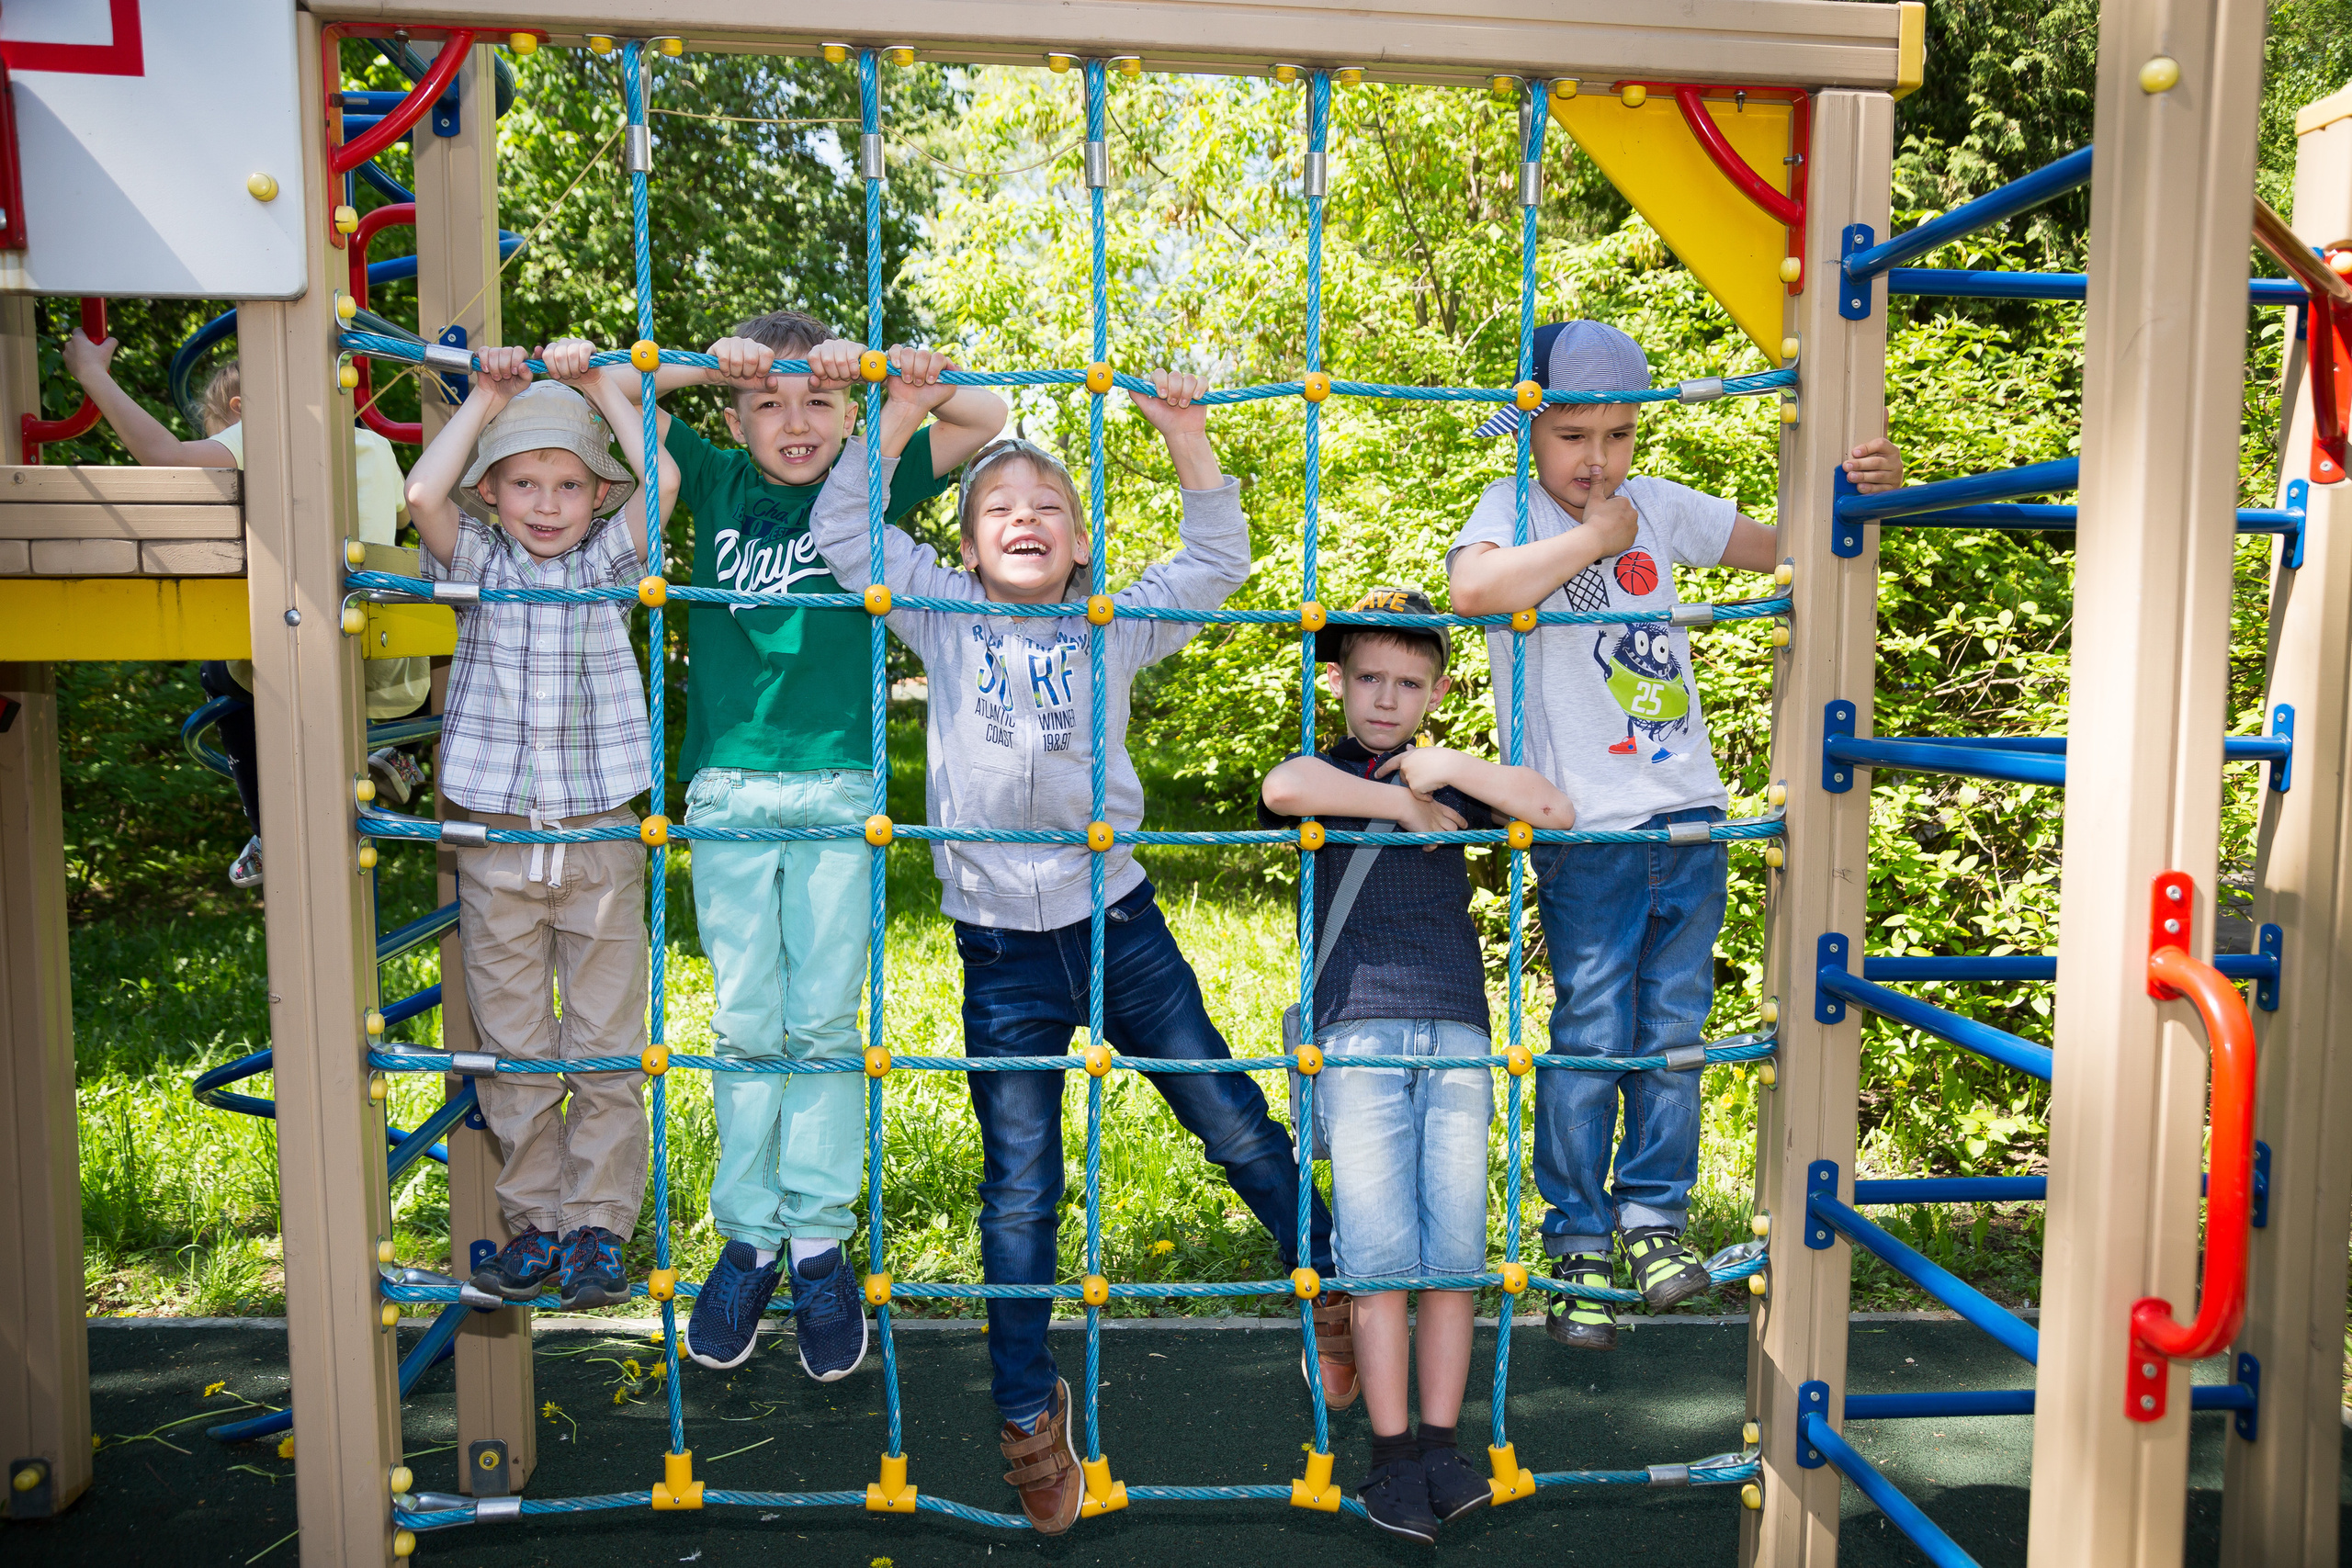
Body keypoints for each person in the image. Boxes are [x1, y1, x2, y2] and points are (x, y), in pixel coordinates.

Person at [808, 346, 1340, 1536]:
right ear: (964, 544)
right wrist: (893, 419)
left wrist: (1186, 436)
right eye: (998, 506)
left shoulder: (1112, 623)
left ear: (1085, 540)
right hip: (999, 952)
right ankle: (1023, 1411)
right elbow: (847, 535)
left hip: (1119, 924)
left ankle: (1336, 1275)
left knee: (1228, 1114)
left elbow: (1214, 560)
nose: (1025, 515)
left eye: (1049, 503)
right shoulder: (941, 615)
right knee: (1020, 1190)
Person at [1446, 321, 1905, 1348]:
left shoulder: (1655, 507)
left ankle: (1652, 1217)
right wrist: (1586, 543)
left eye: (1616, 434)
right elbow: (1470, 590)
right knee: (1591, 1033)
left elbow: (1784, 543)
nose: (1596, 459)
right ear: (1533, 430)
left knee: (1674, 1038)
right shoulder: (1514, 510)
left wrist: (1860, 485)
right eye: (1572, 436)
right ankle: (1575, 1238)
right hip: (1588, 831)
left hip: (1688, 817)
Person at [578, 313, 1006, 1381]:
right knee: (742, 1019)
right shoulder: (715, 481)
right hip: (725, 785)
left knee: (820, 1019)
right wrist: (703, 362)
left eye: (817, 399)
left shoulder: (876, 474)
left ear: (851, 411)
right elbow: (613, 390)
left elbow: (990, 414)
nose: (795, 421)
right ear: (731, 415)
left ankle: (817, 1241)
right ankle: (748, 1234)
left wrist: (888, 374)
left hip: (839, 786)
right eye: (766, 402)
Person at [1257, 588, 1577, 1542]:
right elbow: (1285, 789)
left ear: (1436, 689)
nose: (1385, 700)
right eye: (1367, 680)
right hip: (1354, 1032)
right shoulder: (1332, 766)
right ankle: (1390, 1456)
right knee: (1380, 1257)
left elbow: (1553, 808)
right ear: (1340, 682)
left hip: (1458, 1033)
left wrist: (1452, 772)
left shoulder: (1456, 776)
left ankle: (1441, 1443)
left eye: (1407, 683)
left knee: (1453, 1257)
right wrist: (1402, 803)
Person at [403, 344, 675, 1313]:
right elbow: (421, 489)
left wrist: (604, 387)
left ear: (600, 497)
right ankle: (536, 1225)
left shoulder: (610, 558)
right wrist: (486, 398)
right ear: (494, 493)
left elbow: (667, 477)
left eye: (569, 484)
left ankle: (599, 1223)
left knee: (603, 1038)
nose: (548, 504)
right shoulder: (473, 560)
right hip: (498, 840)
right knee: (515, 1043)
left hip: (600, 833)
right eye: (524, 483)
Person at [60, 333, 432, 886]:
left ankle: (268, 825)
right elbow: (400, 520)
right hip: (389, 651)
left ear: (239, 413)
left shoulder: (265, 429)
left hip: (303, 631)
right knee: (439, 625)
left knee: (220, 671)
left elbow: (166, 457)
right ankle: (402, 748)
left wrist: (92, 372)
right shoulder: (376, 445)